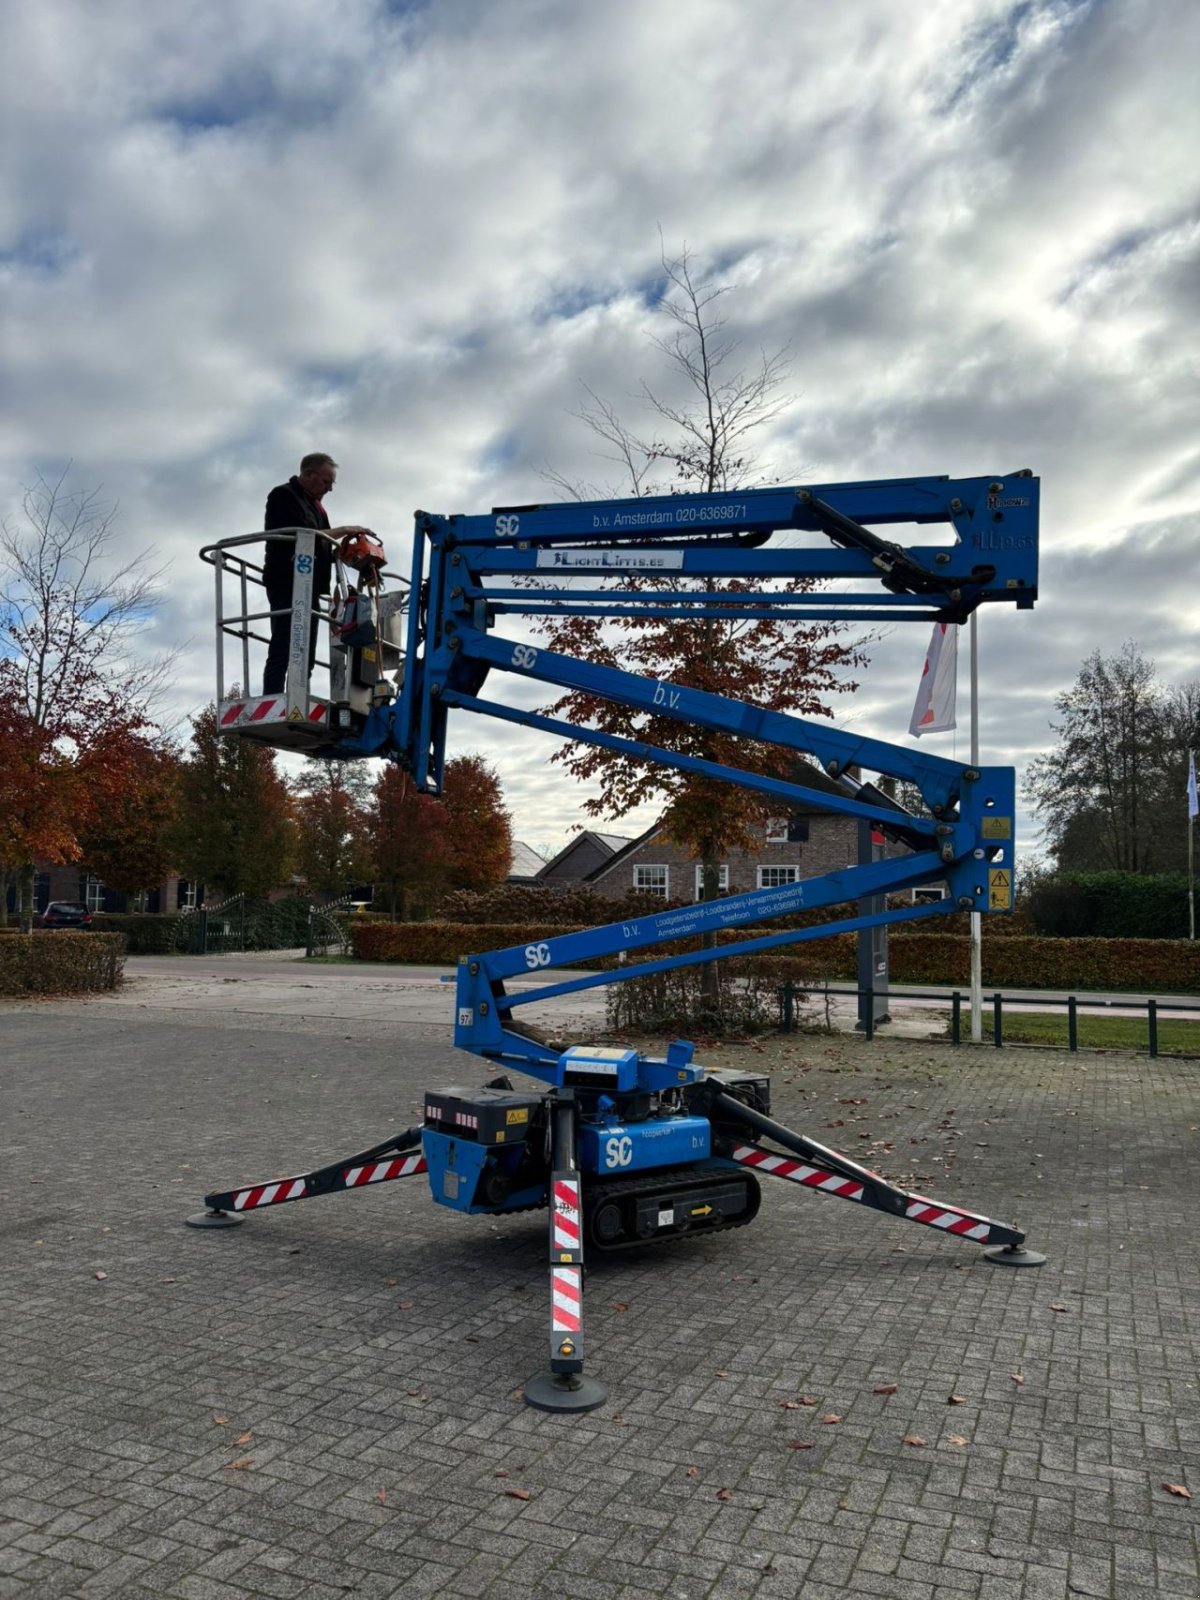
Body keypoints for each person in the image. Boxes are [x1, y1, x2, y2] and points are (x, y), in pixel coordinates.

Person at [261, 453, 341, 696]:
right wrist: (345, 530)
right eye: (327, 482)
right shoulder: (282, 495)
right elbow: (307, 533)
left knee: (307, 649)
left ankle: (298, 696)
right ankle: (273, 697)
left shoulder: (319, 508)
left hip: (311, 586)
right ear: (308, 475)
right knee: (284, 642)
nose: (329, 489)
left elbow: (323, 542)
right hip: (286, 580)